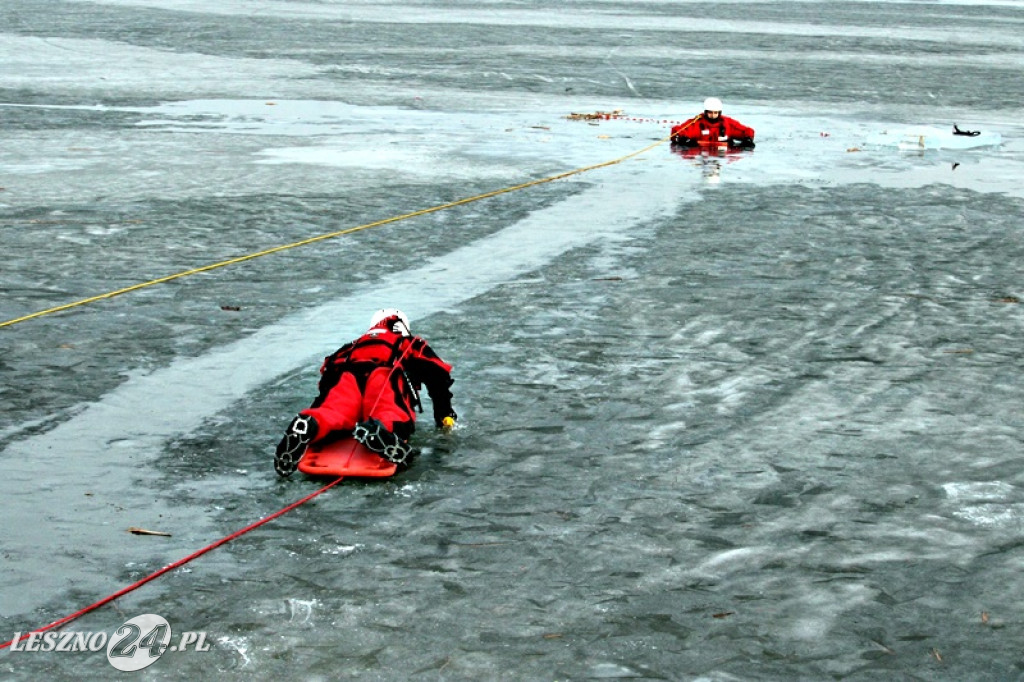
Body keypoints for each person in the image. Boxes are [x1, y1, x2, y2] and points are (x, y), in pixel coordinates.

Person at [274, 308, 457, 477]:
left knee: (333, 412)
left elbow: (328, 377)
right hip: (384, 376)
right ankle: (379, 431)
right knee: (390, 412)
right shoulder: (409, 342)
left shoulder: (351, 346)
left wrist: (320, 404)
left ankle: (311, 423)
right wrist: (444, 414)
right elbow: (438, 374)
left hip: (347, 375)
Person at [670, 97, 755, 149]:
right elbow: (677, 131)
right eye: (710, 112)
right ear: (705, 112)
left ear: (719, 112)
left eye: (715, 113)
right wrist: (682, 139)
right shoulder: (697, 124)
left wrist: (748, 139)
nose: (713, 115)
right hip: (701, 152)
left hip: (722, 153)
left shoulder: (727, 124)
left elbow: (746, 130)